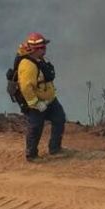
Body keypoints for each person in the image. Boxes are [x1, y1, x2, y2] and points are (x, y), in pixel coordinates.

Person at [16, 32, 66, 161]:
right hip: (37, 103)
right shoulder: (28, 65)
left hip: (49, 99)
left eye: (44, 47)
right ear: (34, 49)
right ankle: (31, 154)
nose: (45, 49)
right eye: (42, 48)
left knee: (59, 119)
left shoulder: (38, 59)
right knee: (36, 127)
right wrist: (36, 103)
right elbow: (26, 87)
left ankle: (55, 148)